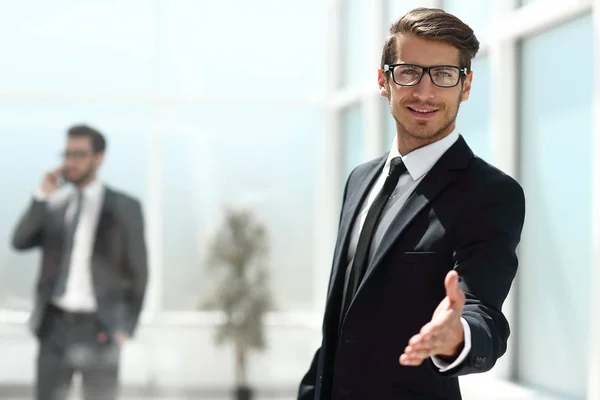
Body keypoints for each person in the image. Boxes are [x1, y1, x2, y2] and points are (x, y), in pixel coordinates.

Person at [298, 7, 526, 400]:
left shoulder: (490, 194)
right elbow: (343, 321)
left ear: (466, 85)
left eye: (443, 74)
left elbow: (481, 310)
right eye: (408, 72)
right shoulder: (360, 180)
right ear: (383, 81)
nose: (425, 92)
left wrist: (458, 335)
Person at [11, 125, 148, 400]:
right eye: (67, 154)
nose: (70, 162)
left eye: (79, 155)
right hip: (54, 326)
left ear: (99, 158)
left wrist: (126, 326)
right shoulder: (56, 205)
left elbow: (140, 271)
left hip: (99, 327)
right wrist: (41, 196)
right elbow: (20, 241)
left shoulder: (124, 207)